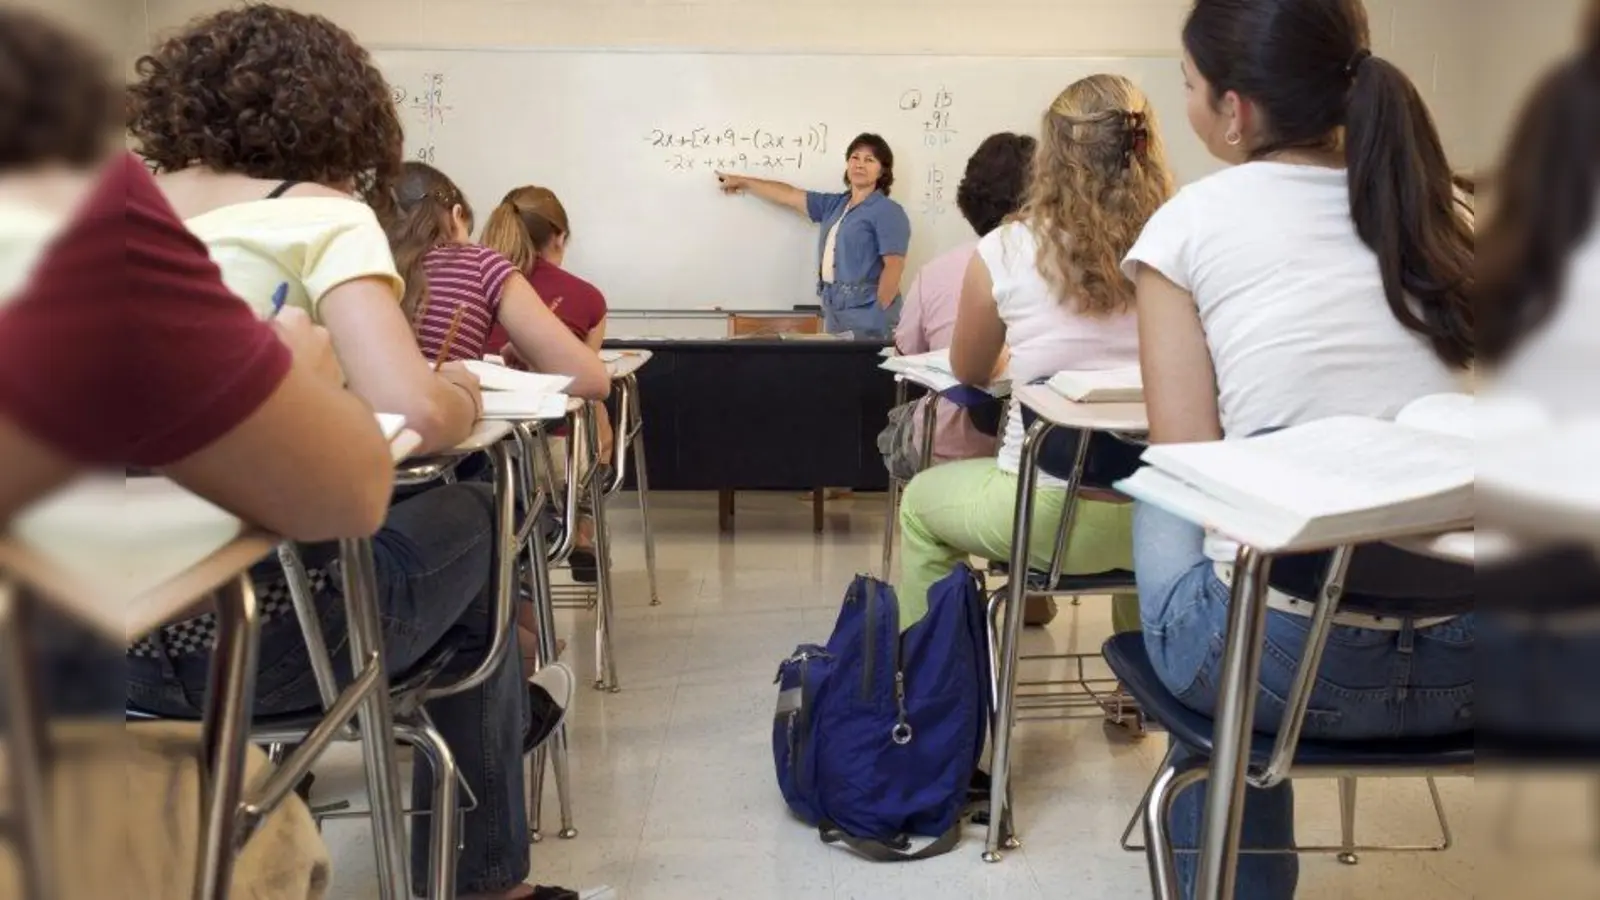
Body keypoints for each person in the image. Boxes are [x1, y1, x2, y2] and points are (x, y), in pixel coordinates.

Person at [124, 7, 610, 899]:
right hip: (268, 635)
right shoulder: (318, 214)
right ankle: (486, 863)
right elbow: (412, 411)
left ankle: (421, 753)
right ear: (339, 114)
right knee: (479, 511)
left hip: (91, 645)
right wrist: (460, 391)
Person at [1122, 1, 1475, 897]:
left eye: (1190, 86)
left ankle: (1242, 869)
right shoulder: (1442, 211)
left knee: (1166, 480)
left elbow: (1194, 464)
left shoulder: (1186, 225)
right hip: (1484, 657)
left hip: (1285, 670)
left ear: (1234, 111)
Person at [895, 74, 1173, 634]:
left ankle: (931, 678)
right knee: (1143, 513)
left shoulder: (1006, 248)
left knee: (919, 504)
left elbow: (969, 370)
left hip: (1043, 514)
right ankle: (1138, 675)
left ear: (1052, 155)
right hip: (1166, 520)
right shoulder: (1181, 240)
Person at [480, 184, 614, 584]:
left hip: (477, 451)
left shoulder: (474, 282)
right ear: (559, 236)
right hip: (552, 453)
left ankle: (522, 569)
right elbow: (584, 379)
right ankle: (581, 529)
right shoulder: (587, 297)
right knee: (595, 415)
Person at [885, 132, 1034, 477]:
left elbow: (907, 353)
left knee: (897, 427)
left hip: (952, 449)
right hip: (1043, 454)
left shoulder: (939, 271)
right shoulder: (1072, 271)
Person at [389, 163, 609, 396]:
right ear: (456, 215)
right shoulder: (481, 265)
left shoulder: (367, 268)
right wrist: (532, 359)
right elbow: (594, 382)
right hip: (446, 413)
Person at [716, 134, 911, 338]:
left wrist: (878, 313)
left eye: (869, 160)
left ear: (882, 171)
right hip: (834, 312)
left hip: (868, 315)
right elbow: (789, 195)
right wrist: (743, 182)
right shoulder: (834, 205)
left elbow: (894, 266)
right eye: (855, 157)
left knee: (865, 359)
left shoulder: (888, 211)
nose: (859, 164)